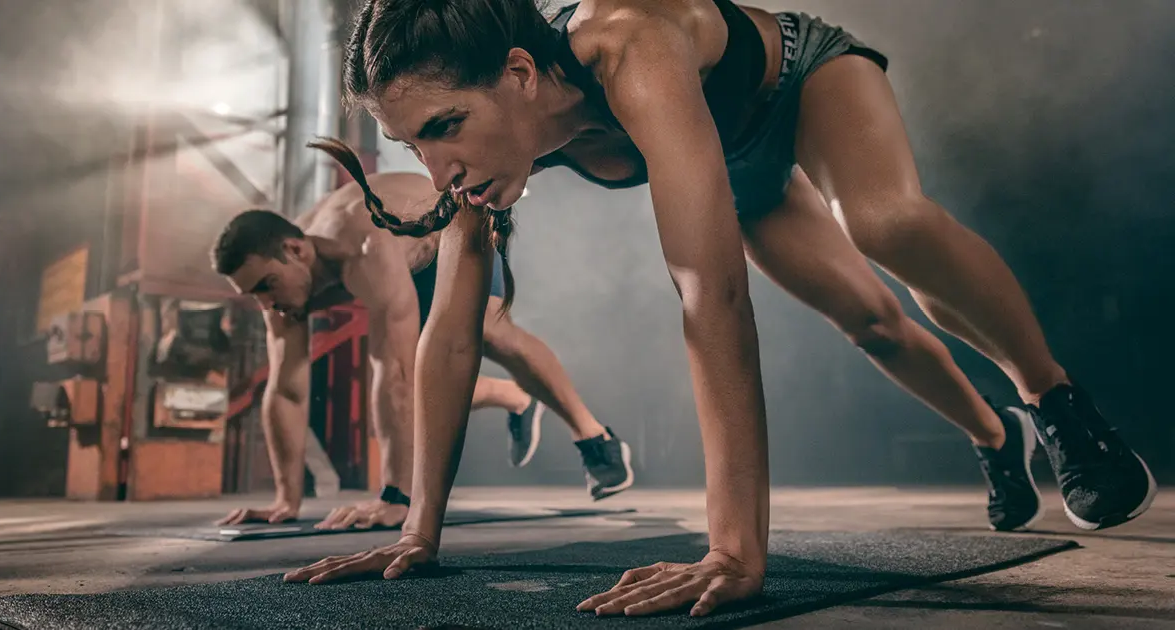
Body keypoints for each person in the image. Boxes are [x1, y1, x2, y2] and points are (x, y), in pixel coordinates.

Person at [283, 0, 1157, 617]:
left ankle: (1054, 404)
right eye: (410, 146)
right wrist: (418, 530)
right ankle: (996, 437)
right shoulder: (490, 146)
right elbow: (452, 334)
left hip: (800, 84)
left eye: (444, 127)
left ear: (518, 73)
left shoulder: (627, 44)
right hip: (734, 163)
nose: (436, 170)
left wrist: (735, 551)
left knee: (884, 223)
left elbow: (711, 295)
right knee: (872, 323)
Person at [210, 168, 635, 532]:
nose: (265, 303)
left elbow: (394, 373)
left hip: (451, 229)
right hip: (401, 267)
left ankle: (593, 436)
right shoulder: (282, 286)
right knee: (421, 372)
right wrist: (286, 500)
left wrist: (396, 497)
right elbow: (286, 389)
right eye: (253, 295)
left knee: (488, 334)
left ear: (296, 250)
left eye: (266, 286)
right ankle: (513, 398)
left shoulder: (362, 245)